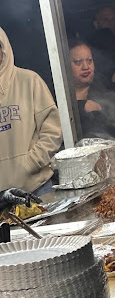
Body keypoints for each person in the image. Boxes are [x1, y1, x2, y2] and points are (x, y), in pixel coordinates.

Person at [0, 27, 62, 195]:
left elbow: (53, 131)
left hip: (37, 187)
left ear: (3, 49)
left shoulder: (29, 81)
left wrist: (30, 163)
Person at [69, 40, 115, 146]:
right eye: (78, 62)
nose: (86, 67)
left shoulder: (109, 88)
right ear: (66, 66)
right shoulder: (60, 97)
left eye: (89, 60)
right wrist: (80, 107)